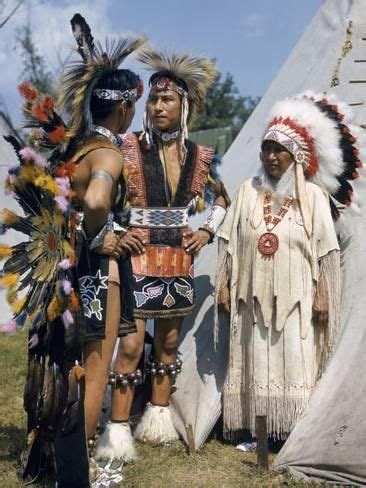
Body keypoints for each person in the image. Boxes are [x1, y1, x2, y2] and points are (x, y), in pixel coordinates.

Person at [95, 47, 230, 458]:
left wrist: (207, 232)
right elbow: (99, 198)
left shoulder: (202, 157)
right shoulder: (125, 147)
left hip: (177, 258)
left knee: (168, 345)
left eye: (166, 99)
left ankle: (157, 419)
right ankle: (117, 431)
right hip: (134, 259)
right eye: (152, 99)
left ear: (183, 105)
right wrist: (118, 230)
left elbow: (223, 200)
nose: (156, 106)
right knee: (132, 346)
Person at [216, 92, 361, 441]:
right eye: (266, 149)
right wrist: (223, 284)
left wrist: (324, 294)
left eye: (279, 150)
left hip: (297, 301)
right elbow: (229, 241)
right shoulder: (248, 192)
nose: (271, 157)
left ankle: (290, 431)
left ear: (295, 155)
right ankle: (255, 430)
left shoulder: (313, 198)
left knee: (294, 361)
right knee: (254, 360)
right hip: (250, 299)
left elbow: (326, 252)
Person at [58, 13, 146, 481]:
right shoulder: (108, 153)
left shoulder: (76, 148)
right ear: (126, 108)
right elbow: (95, 198)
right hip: (97, 273)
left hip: (69, 270)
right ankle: (76, 475)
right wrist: (102, 234)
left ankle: (65, 463)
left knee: (72, 369)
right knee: (95, 373)